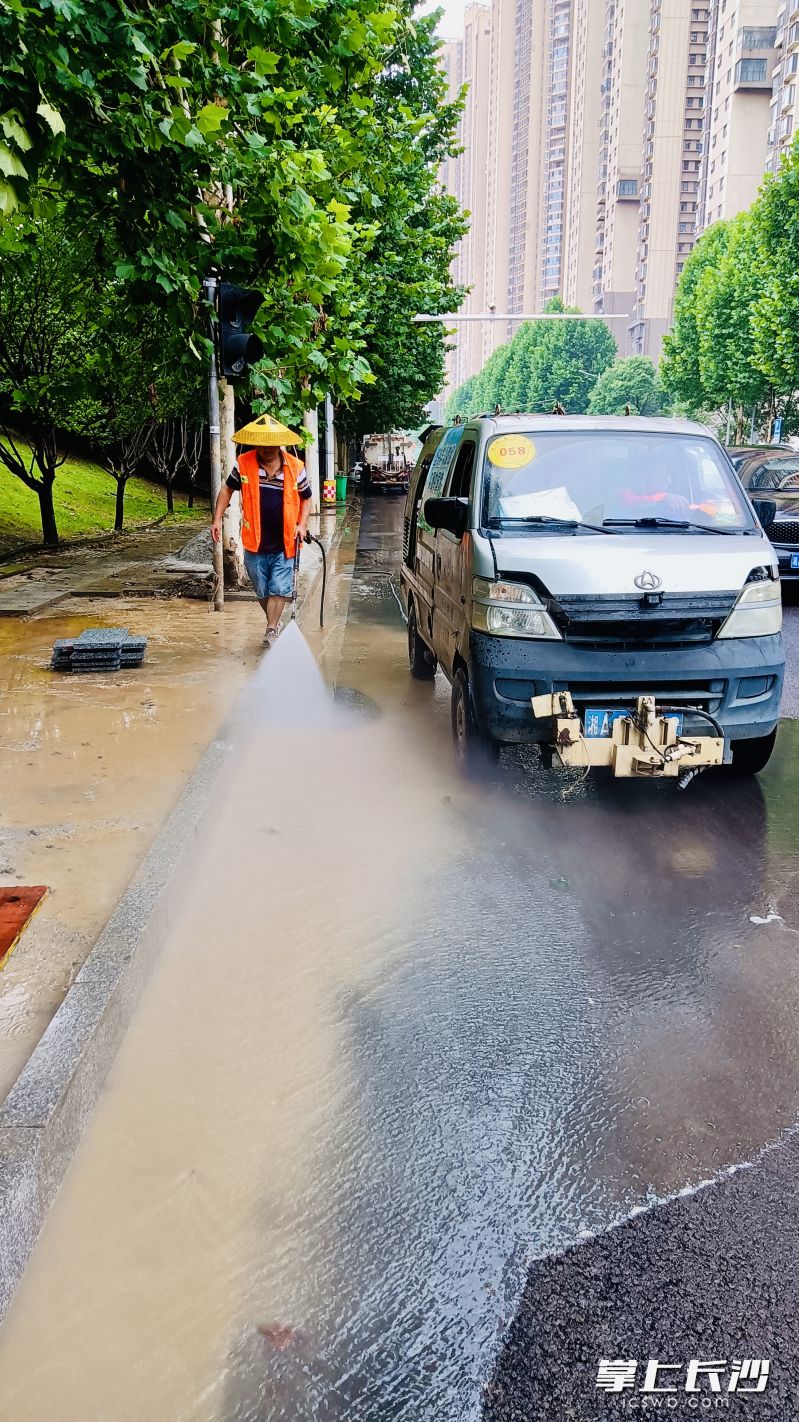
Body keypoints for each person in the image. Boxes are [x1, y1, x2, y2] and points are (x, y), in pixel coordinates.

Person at [211, 443, 312, 647]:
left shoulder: (295, 466)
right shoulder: (244, 463)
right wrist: (217, 519)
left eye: (271, 446)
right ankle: (274, 622)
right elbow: (227, 490)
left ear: (278, 445)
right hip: (255, 542)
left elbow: (306, 498)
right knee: (262, 590)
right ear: (256, 444)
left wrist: (302, 525)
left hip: (286, 542)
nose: (266, 450)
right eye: (262, 446)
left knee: (279, 588)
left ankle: (271, 629)